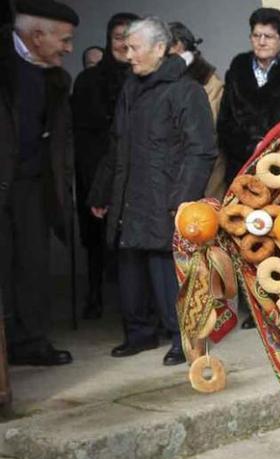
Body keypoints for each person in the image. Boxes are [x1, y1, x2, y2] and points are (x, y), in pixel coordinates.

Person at [88, 17, 216, 366]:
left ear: (159, 49)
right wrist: (101, 192)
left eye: (134, 48)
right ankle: (139, 333)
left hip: (165, 197)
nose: (127, 55)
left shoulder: (185, 90)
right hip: (130, 193)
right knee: (130, 270)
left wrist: (183, 199)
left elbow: (201, 149)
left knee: (166, 274)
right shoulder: (130, 88)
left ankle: (181, 338)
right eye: (126, 47)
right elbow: (116, 144)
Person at [217, 7, 280, 329]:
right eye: (256, 35)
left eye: (268, 36)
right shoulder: (236, 72)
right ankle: (255, 306)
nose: (261, 42)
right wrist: (250, 147)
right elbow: (225, 123)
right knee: (248, 236)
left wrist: (276, 149)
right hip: (244, 168)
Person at [0, 0, 79, 366]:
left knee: (32, 265)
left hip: (32, 187)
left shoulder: (56, 77)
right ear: (35, 35)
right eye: (63, 39)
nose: (69, 48)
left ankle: (31, 342)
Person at [70, 12, 139, 321]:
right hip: (99, 172)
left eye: (129, 36)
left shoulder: (146, 78)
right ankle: (95, 296)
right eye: (117, 37)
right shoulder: (89, 81)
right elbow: (84, 135)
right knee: (97, 242)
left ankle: (139, 311)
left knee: (136, 247)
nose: (123, 43)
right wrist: (98, 181)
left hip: (138, 176)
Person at [168, 21, 226, 200]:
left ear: (178, 45)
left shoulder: (209, 83)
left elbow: (208, 131)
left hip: (204, 171)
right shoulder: (166, 78)